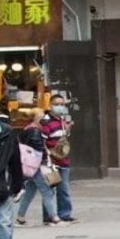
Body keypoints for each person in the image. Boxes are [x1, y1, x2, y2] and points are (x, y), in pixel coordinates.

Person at [15, 109, 64, 227]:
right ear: (37, 118)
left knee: (30, 191)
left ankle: (20, 217)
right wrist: (46, 159)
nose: (44, 119)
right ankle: (54, 217)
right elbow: (38, 148)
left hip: (30, 164)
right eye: (42, 117)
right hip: (36, 164)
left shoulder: (27, 128)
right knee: (47, 191)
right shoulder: (35, 130)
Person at [0, 115, 23, 239]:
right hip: (1, 185)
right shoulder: (6, 132)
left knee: (4, 224)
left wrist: (17, 184)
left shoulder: (7, 132)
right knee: (4, 223)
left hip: (0, 186)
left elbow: (15, 159)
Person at [43, 94, 77, 222]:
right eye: (57, 104)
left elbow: (64, 138)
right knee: (50, 190)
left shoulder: (63, 120)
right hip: (51, 162)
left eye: (62, 104)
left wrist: (68, 129)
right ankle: (49, 216)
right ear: (50, 105)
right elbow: (42, 140)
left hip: (63, 160)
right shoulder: (46, 121)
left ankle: (65, 214)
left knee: (64, 189)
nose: (60, 107)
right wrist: (48, 156)